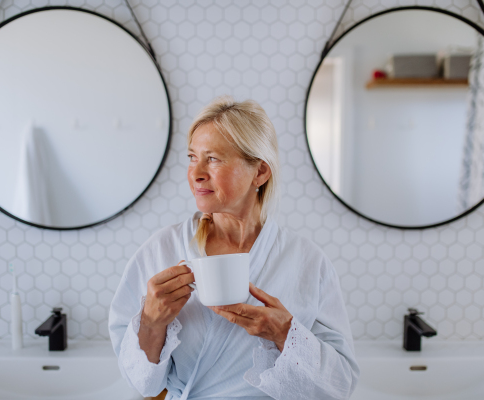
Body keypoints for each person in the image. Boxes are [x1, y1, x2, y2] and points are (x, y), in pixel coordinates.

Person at [108, 96, 360, 400]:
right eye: (191, 157)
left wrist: (286, 334)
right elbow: (141, 386)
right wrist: (151, 322)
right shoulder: (161, 250)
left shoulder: (306, 262)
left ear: (260, 173)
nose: (196, 172)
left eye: (213, 159)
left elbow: (341, 384)